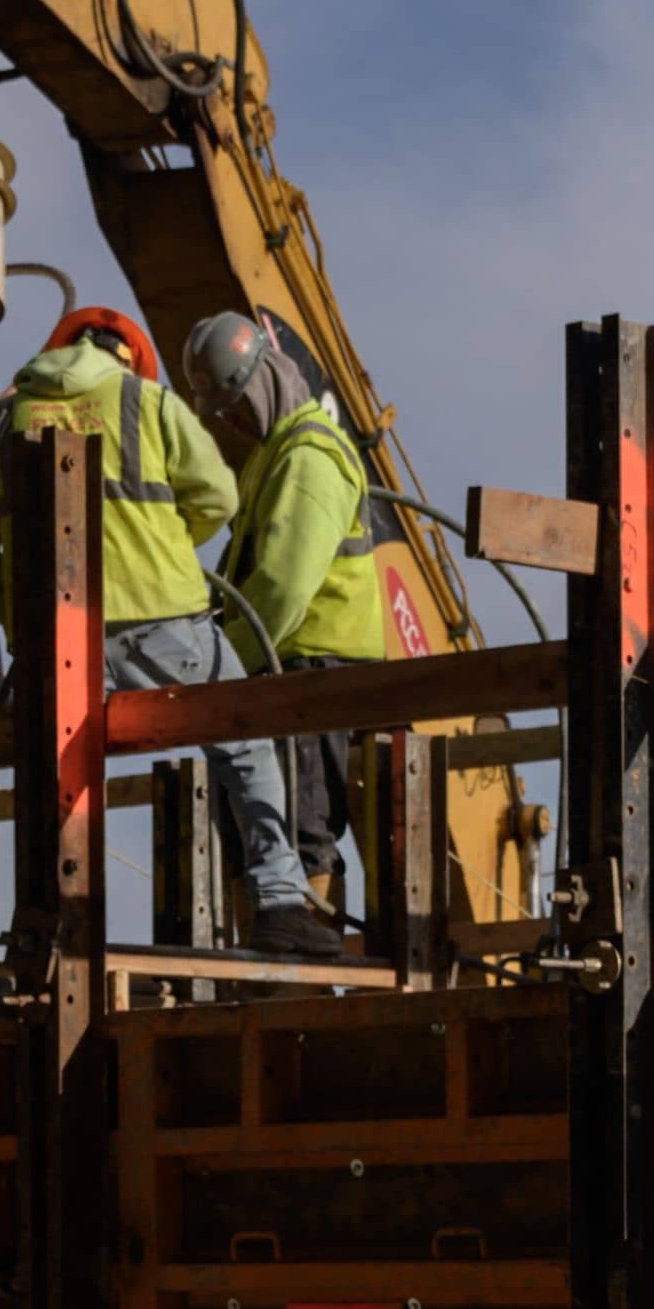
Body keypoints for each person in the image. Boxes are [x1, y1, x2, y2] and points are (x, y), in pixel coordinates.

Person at [0, 305, 349, 963]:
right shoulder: (144, 399)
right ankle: (279, 902)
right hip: (166, 624)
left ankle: (44, 920)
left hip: (57, 639)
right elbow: (219, 497)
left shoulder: (0, 419)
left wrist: (22, 617)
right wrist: (161, 550)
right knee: (245, 744)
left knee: (57, 770)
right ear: (127, 356)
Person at [181, 307, 415, 940]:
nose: (230, 421)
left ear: (264, 379)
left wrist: (214, 662)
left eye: (235, 405)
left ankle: (297, 997)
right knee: (255, 837)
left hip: (308, 672)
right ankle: (269, 987)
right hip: (275, 668)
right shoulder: (273, 454)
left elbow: (280, 588)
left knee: (297, 833)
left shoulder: (310, 454)